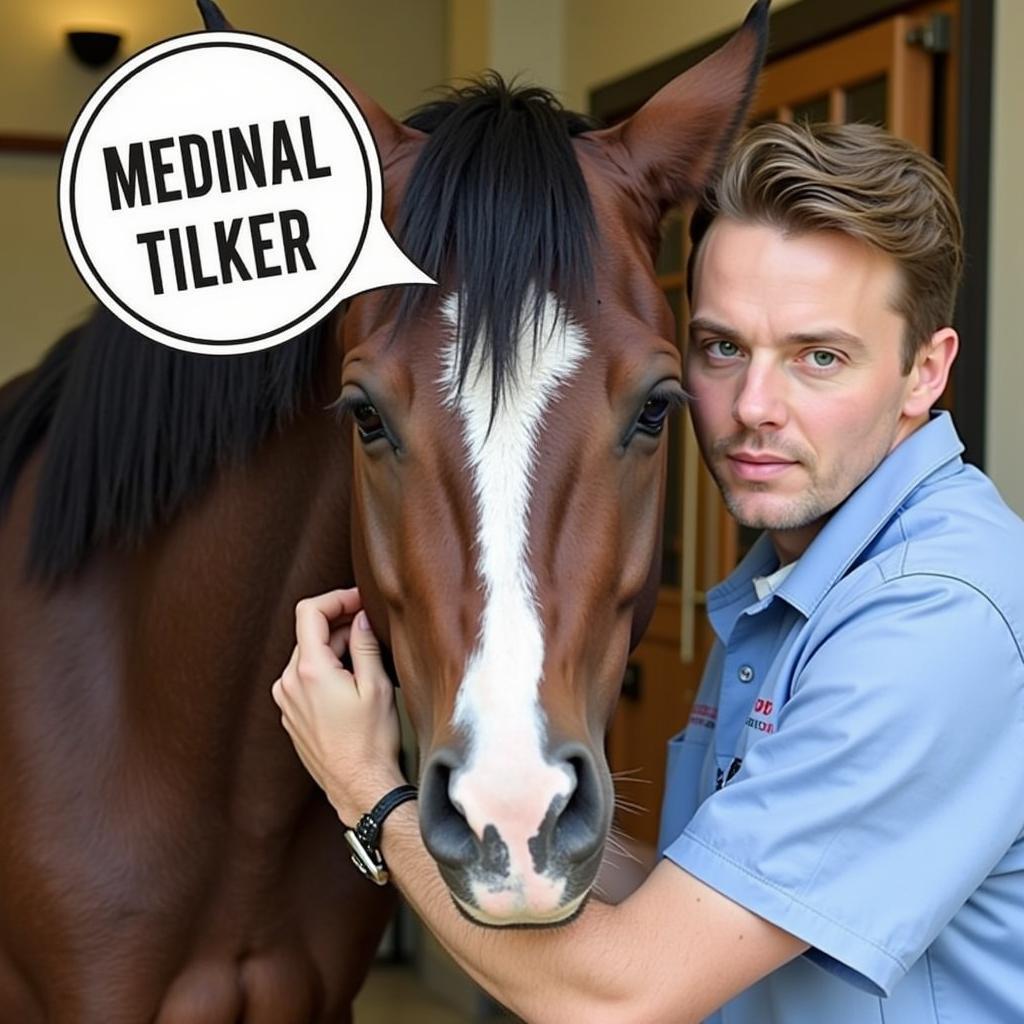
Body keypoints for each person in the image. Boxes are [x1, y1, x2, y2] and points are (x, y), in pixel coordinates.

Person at [272, 121, 1024, 1023]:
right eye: (722, 348)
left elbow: (619, 998)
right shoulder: (796, 587)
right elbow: (695, 907)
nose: (752, 409)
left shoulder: (933, 619)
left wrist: (364, 785)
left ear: (923, 374)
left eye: (819, 357)